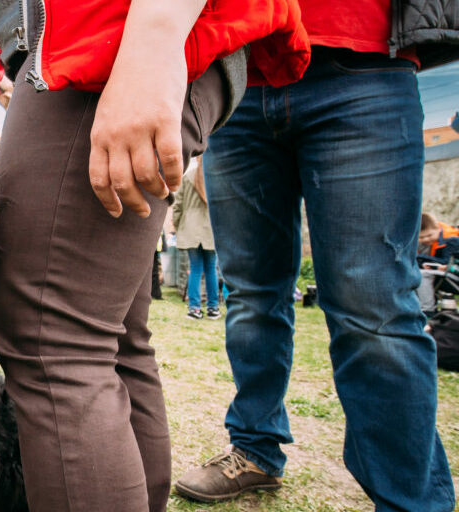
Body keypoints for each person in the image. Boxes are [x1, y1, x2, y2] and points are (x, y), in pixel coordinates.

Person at [0, 0, 308, 510]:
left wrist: (152, 41)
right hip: (118, 42)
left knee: (55, 343)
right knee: (112, 343)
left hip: (111, 37)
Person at [173, 2, 459, 509]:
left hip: (363, 63)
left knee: (375, 305)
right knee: (250, 295)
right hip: (237, 80)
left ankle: (410, 500)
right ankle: (255, 448)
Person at [171, 158, 219, 320]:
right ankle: (213, 308)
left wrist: (177, 226)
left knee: (196, 268)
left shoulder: (187, 176)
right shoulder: (215, 176)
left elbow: (178, 205)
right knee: (211, 268)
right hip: (211, 228)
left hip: (191, 229)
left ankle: (194, 308)